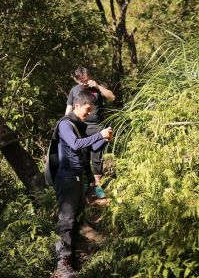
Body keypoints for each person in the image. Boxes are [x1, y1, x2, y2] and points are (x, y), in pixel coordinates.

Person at [55, 90, 113, 277]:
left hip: (79, 177)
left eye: (90, 112)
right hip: (67, 178)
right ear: (77, 105)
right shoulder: (65, 124)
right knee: (67, 220)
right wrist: (99, 135)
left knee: (77, 217)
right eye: (87, 110)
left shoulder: (79, 125)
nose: (88, 114)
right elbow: (75, 144)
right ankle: (62, 264)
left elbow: (91, 146)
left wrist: (104, 140)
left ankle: (74, 257)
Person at [65, 67, 115, 199]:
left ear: (89, 76)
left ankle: (98, 186)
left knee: (97, 157)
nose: (85, 83)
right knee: (83, 156)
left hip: (97, 126)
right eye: (82, 82)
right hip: (80, 127)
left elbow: (112, 97)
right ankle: (88, 183)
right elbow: (68, 110)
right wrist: (66, 127)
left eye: (86, 80)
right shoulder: (74, 91)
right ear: (76, 80)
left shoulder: (96, 88)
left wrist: (98, 86)